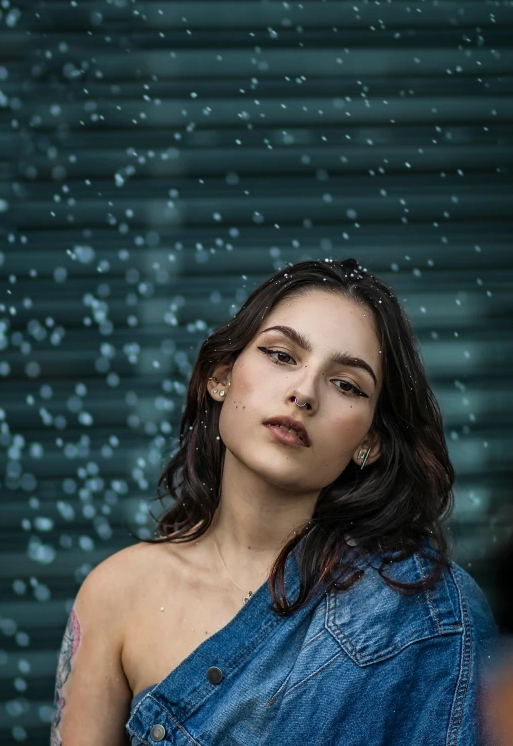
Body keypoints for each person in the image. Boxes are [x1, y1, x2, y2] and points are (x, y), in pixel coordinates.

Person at [50, 257, 499, 746]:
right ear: (220, 376)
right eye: (282, 355)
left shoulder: (432, 614)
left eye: (346, 384)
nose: (304, 393)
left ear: (371, 441)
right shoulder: (118, 593)